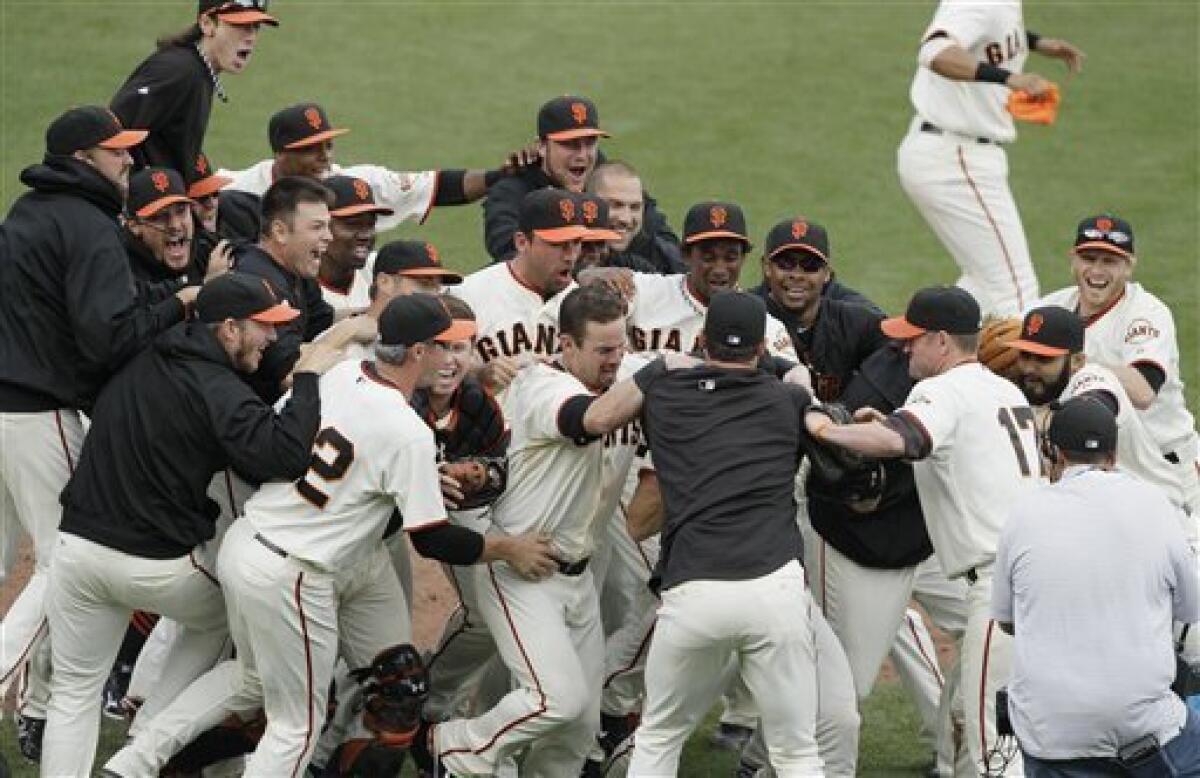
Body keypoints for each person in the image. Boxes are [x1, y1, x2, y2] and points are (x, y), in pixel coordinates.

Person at [101, 294, 558, 777]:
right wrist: (508, 548)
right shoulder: (407, 431)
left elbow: (323, 434)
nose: (451, 358)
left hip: (253, 545)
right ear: (418, 352)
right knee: (296, 726)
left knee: (258, 680)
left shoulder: (341, 376)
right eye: (442, 346)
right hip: (295, 571)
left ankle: (133, 764)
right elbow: (433, 541)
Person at [40, 272, 342, 777]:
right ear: (228, 328)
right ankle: (147, 736)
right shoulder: (218, 387)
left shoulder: (148, 350)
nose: (273, 339)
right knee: (234, 615)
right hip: (152, 565)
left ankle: (140, 734)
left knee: (73, 694)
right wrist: (309, 378)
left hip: (75, 549)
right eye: (264, 327)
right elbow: (283, 455)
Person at [0, 105, 194, 760]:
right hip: (37, 412)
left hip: (3, 408)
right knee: (66, 567)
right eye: (117, 152)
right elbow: (107, 336)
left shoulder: (28, 210)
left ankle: (34, 704)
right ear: (83, 158)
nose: (130, 161)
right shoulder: (86, 225)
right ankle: (22, 691)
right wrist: (180, 304)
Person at [746, 217, 968, 776]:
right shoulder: (744, 317)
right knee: (821, 646)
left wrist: (861, 452)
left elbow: (905, 369)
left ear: (828, 272)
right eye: (786, 262)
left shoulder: (857, 319)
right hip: (780, 479)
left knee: (846, 649)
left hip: (855, 486)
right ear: (766, 267)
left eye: (809, 264)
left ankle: (955, 755)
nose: (796, 275)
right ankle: (765, 749)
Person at [581, 291, 825, 775]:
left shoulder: (666, 395)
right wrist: (791, 372)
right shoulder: (789, 400)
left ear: (701, 339)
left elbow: (597, 418)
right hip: (774, 592)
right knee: (797, 750)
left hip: (693, 592)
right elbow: (797, 389)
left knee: (658, 736)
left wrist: (659, 367)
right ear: (759, 347)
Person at [417, 284, 648, 777]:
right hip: (522, 569)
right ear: (566, 345)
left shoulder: (626, 373)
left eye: (621, 347)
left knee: (577, 732)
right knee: (555, 700)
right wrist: (661, 372)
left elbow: (680, 363)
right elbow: (594, 418)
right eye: (603, 350)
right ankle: (452, 747)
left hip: (577, 578)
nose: (615, 360)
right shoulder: (544, 387)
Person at [810, 285, 1041, 775]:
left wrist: (824, 429)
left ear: (941, 341)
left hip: (998, 591)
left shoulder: (940, 390)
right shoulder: (1006, 389)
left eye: (912, 338)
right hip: (1039, 582)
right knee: (1012, 731)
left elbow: (903, 439)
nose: (902, 347)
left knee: (991, 752)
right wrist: (885, 421)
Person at [993, 396, 1200, 776]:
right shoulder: (1154, 503)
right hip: (1146, 732)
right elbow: (1191, 609)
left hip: (1051, 739)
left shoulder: (1022, 514)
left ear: (1051, 451)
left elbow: (1007, 622)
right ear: (1114, 452)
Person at [896, 0, 1083, 316]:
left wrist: (1034, 42)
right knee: (1017, 293)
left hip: (948, 152)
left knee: (981, 286)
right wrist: (1010, 79)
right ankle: (1034, 365)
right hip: (955, 159)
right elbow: (935, 51)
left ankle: (920, 355)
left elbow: (988, 31)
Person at [1037, 214, 1200, 515]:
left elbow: (1142, 390)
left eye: (1109, 261)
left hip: (1167, 469)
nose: (1097, 271)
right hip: (1103, 469)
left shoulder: (1146, 314)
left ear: (1129, 265)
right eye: (1088, 258)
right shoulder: (1049, 308)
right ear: (1073, 259)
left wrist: (1071, 363)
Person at [219, 102, 528, 232]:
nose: (324, 157)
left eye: (328, 145)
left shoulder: (355, 184)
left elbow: (437, 185)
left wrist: (498, 177)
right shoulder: (236, 190)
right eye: (311, 150)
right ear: (281, 154)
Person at [1008, 305, 1190, 510]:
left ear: (1077, 361)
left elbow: (1092, 409)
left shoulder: (1093, 378)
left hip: (1159, 515)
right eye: (1025, 355)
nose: (1030, 368)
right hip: (1107, 516)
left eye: (1044, 359)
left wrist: (1042, 420)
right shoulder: (1025, 393)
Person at [483, 97, 680, 266]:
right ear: (541, 146)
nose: (582, 155)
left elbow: (668, 246)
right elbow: (507, 252)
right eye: (570, 144)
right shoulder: (513, 189)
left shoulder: (609, 181)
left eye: (590, 143)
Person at [111, 0, 277, 175]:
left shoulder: (199, 72)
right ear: (207, 24)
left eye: (255, 27)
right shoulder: (179, 70)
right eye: (239, 25)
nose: (250, 37)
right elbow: (111, 130)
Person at [452, 188, 588, 393]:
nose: (570, 256)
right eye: (558, 244)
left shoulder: (585, 305)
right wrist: (479, 373)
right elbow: (433, 365)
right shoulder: (469, 294)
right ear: (522, 242)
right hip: (491, 422)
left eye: (576, 243)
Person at [229, 175, 334, 401]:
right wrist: (352, 330)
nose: (329, 237)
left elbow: (324, 320)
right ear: (280, 232)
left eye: (328, 226)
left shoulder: (296, 269)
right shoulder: (259, 282)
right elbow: (292, 374)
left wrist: (375, 314)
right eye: (317, 227)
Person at [587, 161, 686, 274]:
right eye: (616, 205)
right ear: (590, 205)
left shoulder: (665, 258)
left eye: (635, 207)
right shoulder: (569, 256)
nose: (626, 219)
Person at [316, 175, 395, 311]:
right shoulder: (294, 288)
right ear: (319, 226)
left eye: (370, 224)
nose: (366, 235)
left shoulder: (379, 270)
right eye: (352, 225)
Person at [123, 167, 204, 290]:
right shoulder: (125, 274)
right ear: (134, 226)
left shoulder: (206, 250)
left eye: (181, 211)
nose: (175, 225)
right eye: (160, 217)